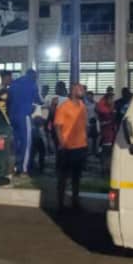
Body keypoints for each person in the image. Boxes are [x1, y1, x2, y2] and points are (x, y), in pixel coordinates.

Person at [54, 83, 88, 213]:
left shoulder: (82, 106)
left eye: (82, 89)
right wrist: (62, 143)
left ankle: (75, 201)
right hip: (67, 148)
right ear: (73, 91)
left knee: (76, 177)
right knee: (63, 177)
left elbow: (84, 126)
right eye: (79, 89)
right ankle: (60, 204)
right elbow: (58, 126)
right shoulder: (64, 107)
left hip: (80, 147)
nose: (82, 91)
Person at [6, 68, 42, 175]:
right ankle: (23, 168)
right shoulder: (32, 84)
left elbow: (9, 100)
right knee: (26, 142)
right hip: (24, 116)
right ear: (34, 76)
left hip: (12, 116)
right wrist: (44, 103)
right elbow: (38, 100)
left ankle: (16, 165)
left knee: (16, 141)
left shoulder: (15, 83)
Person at [96, 87, 116, 173]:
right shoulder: (103, 108)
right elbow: (105, 119)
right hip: (106, 134)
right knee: (106, 152)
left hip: (111, 134)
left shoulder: (110, 107)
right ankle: (104, 169)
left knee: (109, 152)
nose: (112, 101)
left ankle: (107, 168)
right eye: (111, 99)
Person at [85, 90, 99, 157]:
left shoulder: (95, 103)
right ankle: (88, 151)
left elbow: (97, 113)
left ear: (92, 96)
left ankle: (94, 151)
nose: (89, 97)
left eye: (90, 96)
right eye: (88, 96)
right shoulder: (84, 104)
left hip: (94, 122)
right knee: (88, 138)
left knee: (95, 138)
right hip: (87, 123)